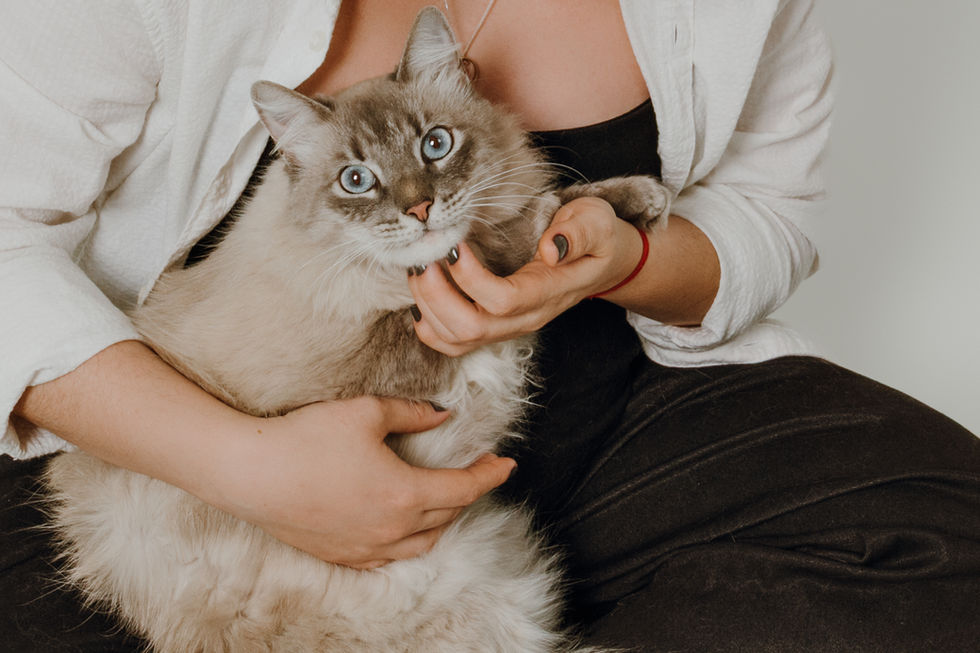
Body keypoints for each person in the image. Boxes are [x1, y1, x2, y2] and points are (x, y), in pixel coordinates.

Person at [1, 1, 977, 651]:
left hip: (590, 401)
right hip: (192, 462)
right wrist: (251, 467)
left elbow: (768, 214)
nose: (417, 202)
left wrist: (626, 256)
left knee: (935, 537)